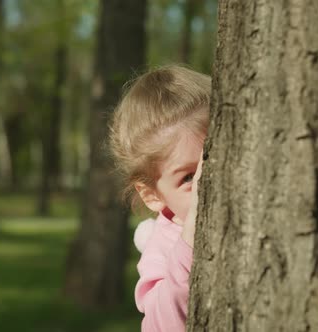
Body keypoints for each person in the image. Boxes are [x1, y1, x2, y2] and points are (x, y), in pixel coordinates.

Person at [109, 65, 211, 331]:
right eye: (189, 178)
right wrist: (189, 239)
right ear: (151, 195)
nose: (207, 183)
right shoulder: (162, 247)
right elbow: (159, 325)